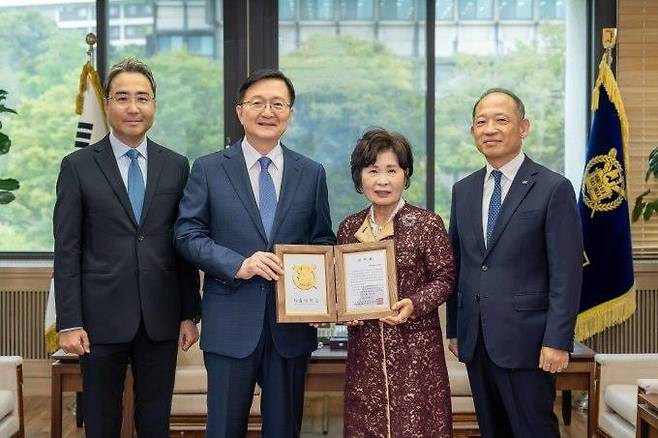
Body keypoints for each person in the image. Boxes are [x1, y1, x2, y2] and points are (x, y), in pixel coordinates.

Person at [174, 68, 336, 437]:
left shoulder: (311, 173)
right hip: (230, 324)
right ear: (240, 111)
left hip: (290, 328)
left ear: (290, 113)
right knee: (224, 428)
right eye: (258, 102)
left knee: (283, 429)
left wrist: (317, 297)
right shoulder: (209, 168)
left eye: (278, 104)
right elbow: (186, 234)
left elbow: (322, 241)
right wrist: (238, 264)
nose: (268, 111)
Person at [53, 57, 200, 437]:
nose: (133, 107)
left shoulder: (176, 165)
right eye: (122, 97)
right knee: (101, 420)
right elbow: (67, 248)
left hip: (161, 316)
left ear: (154, 104)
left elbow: (182, 244)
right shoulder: (78, 165)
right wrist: (69, 321)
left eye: (142, 97)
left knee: (155, 421)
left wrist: (189, 313)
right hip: (98, 320)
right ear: (106, 105)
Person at [446, 88, 583, 437]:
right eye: (481, 121)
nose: (489, 129)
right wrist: (456, 330)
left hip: (529, 343)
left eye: (500, 120)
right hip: (477, 342)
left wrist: (557, 340)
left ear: (523, 127)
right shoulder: (464, 190)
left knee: (534, 430)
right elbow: (459, 263)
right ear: (473, 131)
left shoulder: (553, 188)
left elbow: (566, 275)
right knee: (492, 431)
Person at [337, 128, 455, 437]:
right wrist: (334, 309)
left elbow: (445, 278)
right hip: (365, 355)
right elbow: (341, 287)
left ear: (405, 174)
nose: (383, 180)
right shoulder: (349, 227)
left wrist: (415, 303)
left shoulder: (427, 223)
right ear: (359, 177)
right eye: (373, 170)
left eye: (392, 170)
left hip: (416, 354)